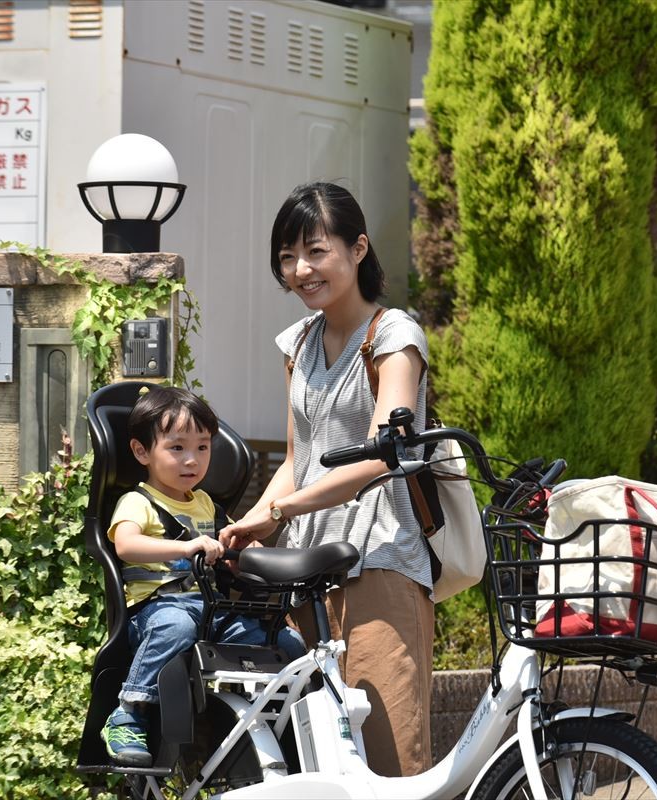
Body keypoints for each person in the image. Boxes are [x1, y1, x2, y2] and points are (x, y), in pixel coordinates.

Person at [219, 182, 434, 778]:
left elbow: (380, 457)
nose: (300, 270)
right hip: (306, 573)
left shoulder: (394, 337)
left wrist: (279, 514)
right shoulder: (298, 343)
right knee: (313, 766)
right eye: (287, 257)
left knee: (390, 762)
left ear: (358, 248)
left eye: (315, 251)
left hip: (380, 562)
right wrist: (252, 524)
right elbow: (298, 459)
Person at [102, 385, 305, 767]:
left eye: (202, 447)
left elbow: (235, 547)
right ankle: (129, 713)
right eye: (177, 448)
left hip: (213, 611)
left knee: (285, 641)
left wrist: (246, 555)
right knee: (176, 626)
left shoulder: (207, 504)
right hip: (157, 610)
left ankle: (284, 726)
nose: (191, 460)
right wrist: (186, 547)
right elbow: (126, 546)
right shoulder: (138, 501)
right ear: (142, 452)